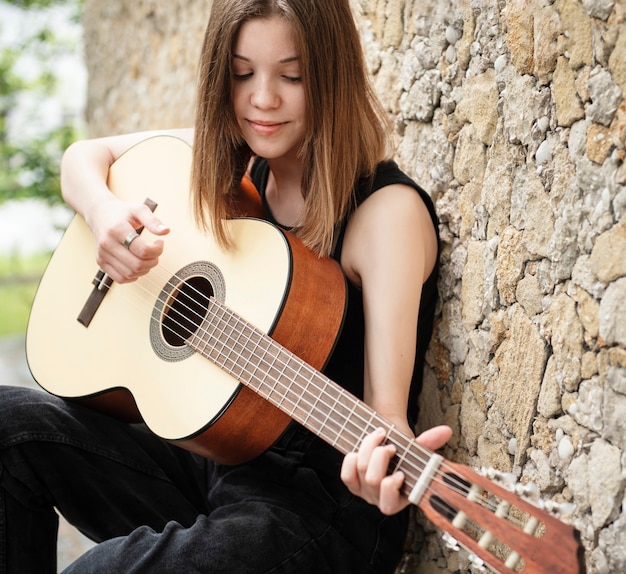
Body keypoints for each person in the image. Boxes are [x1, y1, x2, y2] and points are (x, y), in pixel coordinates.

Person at [0, 0, 451, 572]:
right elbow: (83, 157)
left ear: (333, 76)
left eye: (292, 75)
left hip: (311, 512)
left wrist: (381, 471)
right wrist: (105, 214)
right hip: (217, 456)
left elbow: (386, 418)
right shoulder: (241, 157)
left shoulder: (386, 216)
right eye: (242, 74)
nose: (263, 98)